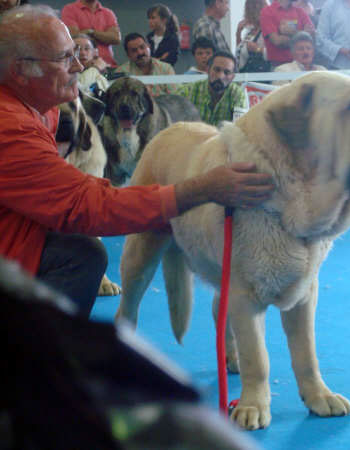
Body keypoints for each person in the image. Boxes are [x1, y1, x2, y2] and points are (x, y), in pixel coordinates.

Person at [0, 6, 275, 317]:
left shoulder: (38, 109)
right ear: (21, 70)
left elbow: (69, 192)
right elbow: (89, 206)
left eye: (77, 54)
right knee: (83, 252)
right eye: (66, 58)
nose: (80, 65)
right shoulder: (11, 128)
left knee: (81, 251)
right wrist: (201, 190)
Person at [176, 51, 247, 126]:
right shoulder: (187, 92)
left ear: (232, 77)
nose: (220, 76)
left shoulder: (237, 95)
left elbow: (239, 128)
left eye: (227, 72)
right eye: (217, 70)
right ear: (207, 70)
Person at [61, 0, 121, 68]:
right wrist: (104, 35)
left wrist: (91, 32)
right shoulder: (70, 9)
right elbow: (73, 36)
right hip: (80, 67)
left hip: (108, 66)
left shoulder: (108, 13)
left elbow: (116, 38)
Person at [116, 32, 176, 97]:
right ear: (128, 55)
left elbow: (174, 98)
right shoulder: (121, 72)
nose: (140, 52)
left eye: (142, 47)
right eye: (134, 50)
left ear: (149, 46)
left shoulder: (166, 69)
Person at [260, 0, 315, 67]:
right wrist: (303, 33)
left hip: (304, 66)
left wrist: (292, 32)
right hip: (280, 67)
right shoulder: (267, 12)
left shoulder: (300, 11)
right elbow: (277, 41)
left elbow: (312, 37)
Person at [235, 0, 270, 73]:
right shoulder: (250, 32)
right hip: (244, 74)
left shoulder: (265, 31)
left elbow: (272, 55)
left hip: (257, 76)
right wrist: (238, 33)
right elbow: (240, 52)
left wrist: (257, 49)